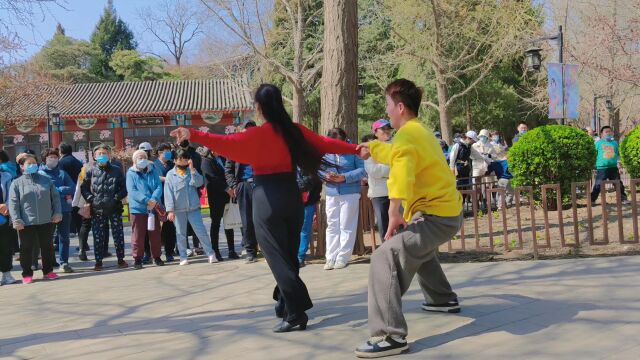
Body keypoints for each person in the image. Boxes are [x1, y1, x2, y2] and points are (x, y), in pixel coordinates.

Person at [170, 83, 360, 333]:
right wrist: (357, 148)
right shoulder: (294, 132)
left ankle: (296, 311)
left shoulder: (255, 135)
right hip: (292, 196)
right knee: (289, 255)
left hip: (266, 198)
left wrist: (193, 134)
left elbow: (223, 142)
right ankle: (285, 302)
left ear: (258, 108)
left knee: (277, 257)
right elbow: (325, 142)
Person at [354, 79, 463, 358]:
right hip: (445, 214)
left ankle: (390, 335)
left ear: (400, 107)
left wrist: (393, 213)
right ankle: (442, 299)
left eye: (388, 106)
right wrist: (372, 148)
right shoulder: (416, 131)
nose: (387, 111)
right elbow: (396, 153)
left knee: (383, 257)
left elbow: (401, 172)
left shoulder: (407, 135)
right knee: (420, 249)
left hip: (436, 217)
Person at [9, 153, 62, 284]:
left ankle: (48, 271)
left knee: (47, 247)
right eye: (29, 164)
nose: (33, 165)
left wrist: (57, 213)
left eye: (34, 163)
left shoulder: (46, 180)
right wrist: (16, 220)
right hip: (26, 223)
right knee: (26, 248)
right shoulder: (16, 183)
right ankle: (27, 273)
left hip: (46, 220)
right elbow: (13, 203)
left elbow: (55, 198)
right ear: (21, 166)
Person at [322, 128, 366, 271]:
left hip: (350, 192)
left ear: (344, 140)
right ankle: (330, 257)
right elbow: (318, 168)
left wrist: (345, 177)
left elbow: (362, 170)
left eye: (337, 143)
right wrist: (324, 175)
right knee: (332, 225)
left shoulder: (354, 149)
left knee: (346, 225)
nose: (334, 146)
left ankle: (342, 257)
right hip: (331, 192)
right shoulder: (326, 150)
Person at [164, 149, 218, 265]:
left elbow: (199, 183)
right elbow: (168, 194)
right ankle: (183, 257)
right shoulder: (170, 175)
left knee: (201, 231)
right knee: (180, 233)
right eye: (180, 160)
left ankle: (210, 253)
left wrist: (193, 170)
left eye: (185, 160)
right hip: (178, 210)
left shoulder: (191, 171)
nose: (182, 162)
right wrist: (170, 210)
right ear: (175, 161)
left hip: (193, 208)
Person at [81, 144, 128, 271]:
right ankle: (98, 261)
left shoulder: (117, 170)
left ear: (109, 155)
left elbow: (124, 188)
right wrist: (91, 199)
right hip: (98, 209)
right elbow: (84, 188)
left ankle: (121, 259)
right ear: (95, 157)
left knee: (118, 234)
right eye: (99, 154)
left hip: (114, 207)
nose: (102, 156)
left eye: (104, 153)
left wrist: (116, 198)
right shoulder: (90, 171)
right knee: (98, 236)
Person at [225, 121, 259, 263]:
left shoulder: (262, 146)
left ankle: (268, 249)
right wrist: (234, 185)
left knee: (263, 219)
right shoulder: (235, 147)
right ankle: (251, 250)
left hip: (260, 184)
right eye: (246, 129)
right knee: (247, 220)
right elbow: (228, 170)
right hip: (244, 185)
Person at [126, 149, 164, 270]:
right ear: (134, 160)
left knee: (155, 233)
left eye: (144, 157)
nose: (142, 159)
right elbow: (132, 191)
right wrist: (146, 200)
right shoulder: (131, 173)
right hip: (138, 209)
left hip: (153, 208)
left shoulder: (152, 170)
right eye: (139, 157)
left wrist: (153, 199)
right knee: (138, 235)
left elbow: (158, 186)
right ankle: (138, 258)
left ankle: (157, 257)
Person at [39, 148, 75, 273]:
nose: (53, 159)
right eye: (50, 157)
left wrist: (59, 190)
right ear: (44, 159)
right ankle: (49, 263)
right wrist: (61, 190)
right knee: (47, 238)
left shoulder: (62, 173)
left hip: (64, 209)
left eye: (55, 157)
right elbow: (43, 191)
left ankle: (64, 262)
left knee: (64, 237)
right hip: (47, 210)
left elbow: (72, 188)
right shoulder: (40, 174)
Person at [200, 147, 238, 261]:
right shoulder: (206, 161)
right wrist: (226, 188)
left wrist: (231, 187)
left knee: (229, 223)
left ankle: (232, 250)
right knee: (216, 223)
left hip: (227, 195)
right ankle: (215, 250)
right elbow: (212, 178)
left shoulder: (222, 158)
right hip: (216, 196)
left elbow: (229, 172)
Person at [365, 120, 392, 241]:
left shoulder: (397, 144)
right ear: (375, 132)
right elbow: (373, 171)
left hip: (399, 191)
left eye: (388, 128)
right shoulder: (370, 147)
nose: (387, 131)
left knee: (403, 224)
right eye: (383, 129)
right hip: (379, 193)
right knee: (384, 225)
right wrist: (393, 167)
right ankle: (388, 255)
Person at [591, 126, 630, 205]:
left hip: (613, 168)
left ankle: (623, 199)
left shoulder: (614, 143)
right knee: (598, 185)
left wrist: (618, 163)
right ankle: (592, 200)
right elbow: (594, 154)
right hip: (602, 168)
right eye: (606, 132)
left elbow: (616, 153)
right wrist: (594, 165)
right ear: (602, 134)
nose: (608, 133)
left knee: (618, 184)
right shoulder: (598, 143)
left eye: (610, 131)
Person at [153, 143, 177, 262]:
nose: (169, 153)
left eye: (169, 151)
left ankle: (169, 251)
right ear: (159, 152)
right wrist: (165, 179)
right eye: (166, 151)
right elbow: (152, 178)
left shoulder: (172, 164)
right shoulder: (153, 165)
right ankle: (155, 253)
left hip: (171, 199)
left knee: (170, 227)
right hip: (158, 199)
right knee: (156, 229)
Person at [296, 169, 322, 267]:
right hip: (291, 201)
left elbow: (310, 182)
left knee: (304, 230)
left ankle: (300, 257)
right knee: (293, 229)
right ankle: (292, 256)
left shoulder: (310, 166)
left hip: (308, 202)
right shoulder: (289, 163)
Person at [58, 142, 83, 237]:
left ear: (61, 151)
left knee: (68, 212)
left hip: (67, 192)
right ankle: (83, 243)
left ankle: (71, 231)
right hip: (78, 191)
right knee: (78, 215)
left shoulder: (61, 162)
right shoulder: (77, 161)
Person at [0, 160, 18, 285]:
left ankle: (6, 274)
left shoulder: (6, 176)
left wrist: (6, 205)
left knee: (5, 246)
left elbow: (12, 195)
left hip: (4, 216)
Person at [72, 163, 92, 261]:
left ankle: (82, 249)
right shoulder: (98, 168)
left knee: (85, 225)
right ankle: (103, 250)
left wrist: (75, 203)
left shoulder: (83, 170)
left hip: (84, 202)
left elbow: (78, 188)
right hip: (99, 201)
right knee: (102, 226)